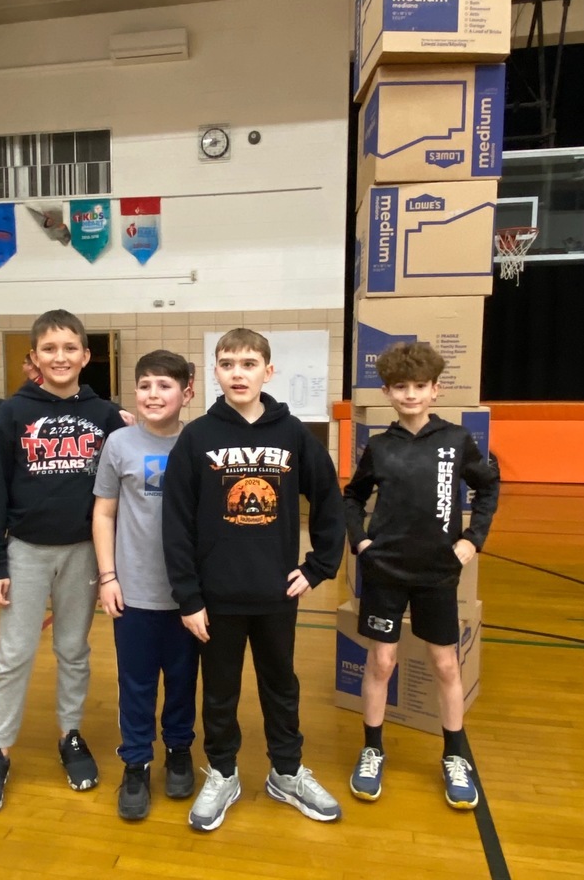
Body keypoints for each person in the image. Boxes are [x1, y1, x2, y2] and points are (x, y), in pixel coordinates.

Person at [162, 328, 346, 831]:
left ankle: (286, 771)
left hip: (275, 593)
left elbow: (330, 501)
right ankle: (222, 772)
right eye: (227, 364)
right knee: (218, 691)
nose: (238, 373)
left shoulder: (293, 436)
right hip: (215, 598)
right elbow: (175, 523)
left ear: (269, 370)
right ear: (214, 373)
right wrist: (188, 596)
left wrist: (318, 567)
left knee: (280, 686)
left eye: (248, 363)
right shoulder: (197, 437)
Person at [0, 309, 127, 814]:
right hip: (24, 552)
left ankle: (71, 735)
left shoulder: (105, 414)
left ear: (85, 355)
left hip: (83, 553)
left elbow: (118, 495)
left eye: (69, 348)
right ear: (33, 357)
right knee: (13, 655)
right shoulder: (13, 412)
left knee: (73, 650)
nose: (60, 357)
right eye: (49, 349)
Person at [343, 342, 499, 810]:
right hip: (386, 571)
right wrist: (362, 541)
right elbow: (351, 497)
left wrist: (473, 539)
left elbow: (489, 486)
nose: (410, 395)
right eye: (400, 387)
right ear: (388, 392)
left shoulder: (456, 441)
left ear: (436, 389)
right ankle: (372, 748)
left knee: (447, 664)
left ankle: (454, 755)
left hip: (436, 573)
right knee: (381, 662)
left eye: (419, 386)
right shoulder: (380, 446)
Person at [92, 350, 198, 821]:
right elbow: (104, 512)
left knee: (181, 680)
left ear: (187, 393)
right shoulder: (119, 443)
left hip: (188, 595)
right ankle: (135, 762)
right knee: (135, 683)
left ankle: (178, 750)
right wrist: (108, 576)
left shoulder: (198, 442)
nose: (153, 395)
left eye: (165, 385)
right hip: (132, 590)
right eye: (145, 385)